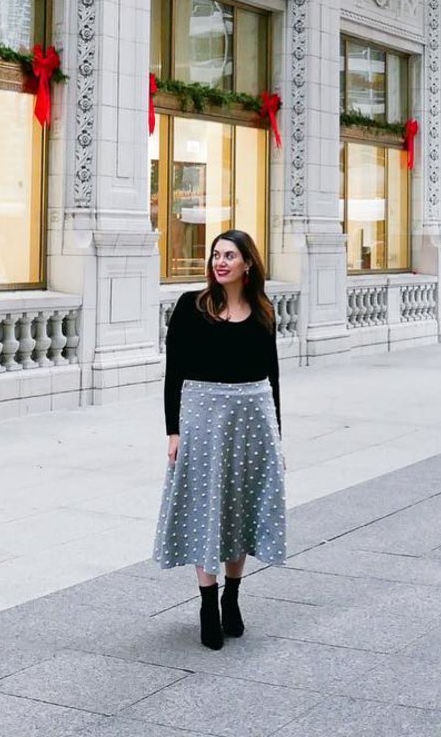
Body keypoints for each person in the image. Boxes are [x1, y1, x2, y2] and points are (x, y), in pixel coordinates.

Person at [153, 230, 286, 650]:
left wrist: (278, 438)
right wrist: (173, 430)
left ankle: (232, 596)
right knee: (205, 507)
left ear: (248, 264)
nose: (220, 262)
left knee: (240, 507)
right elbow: (173, 371)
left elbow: (273, 376)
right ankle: (207, 605)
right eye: (216, 255)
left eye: (230, 255)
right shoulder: (191, 307)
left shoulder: (264, 311)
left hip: (252, 415)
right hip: (203, 416)